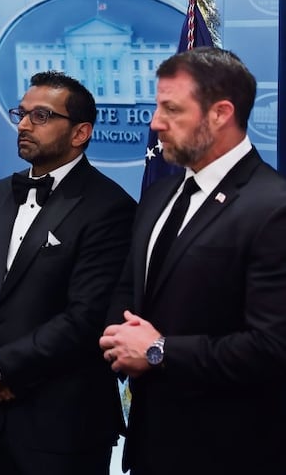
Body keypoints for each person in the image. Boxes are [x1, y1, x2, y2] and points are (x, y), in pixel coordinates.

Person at [100, 47, 286, 475]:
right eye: (156, 106)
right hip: (149, 444)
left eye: (171, 109)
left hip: (229, 451)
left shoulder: (272, 207)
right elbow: (132, 288)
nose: (155, 122)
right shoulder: (159, 195)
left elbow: (272, 347)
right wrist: (118, 339)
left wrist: (159, 352)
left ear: (220, 113)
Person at [0, 71, 133, 475]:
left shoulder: (110, 207)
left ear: (80, 133)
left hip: (66, 417)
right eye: (21, 113)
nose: (22, 124)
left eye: (40, 116)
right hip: (1, 408)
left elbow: (85, 319)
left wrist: (1, 366)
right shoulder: (0, 192)